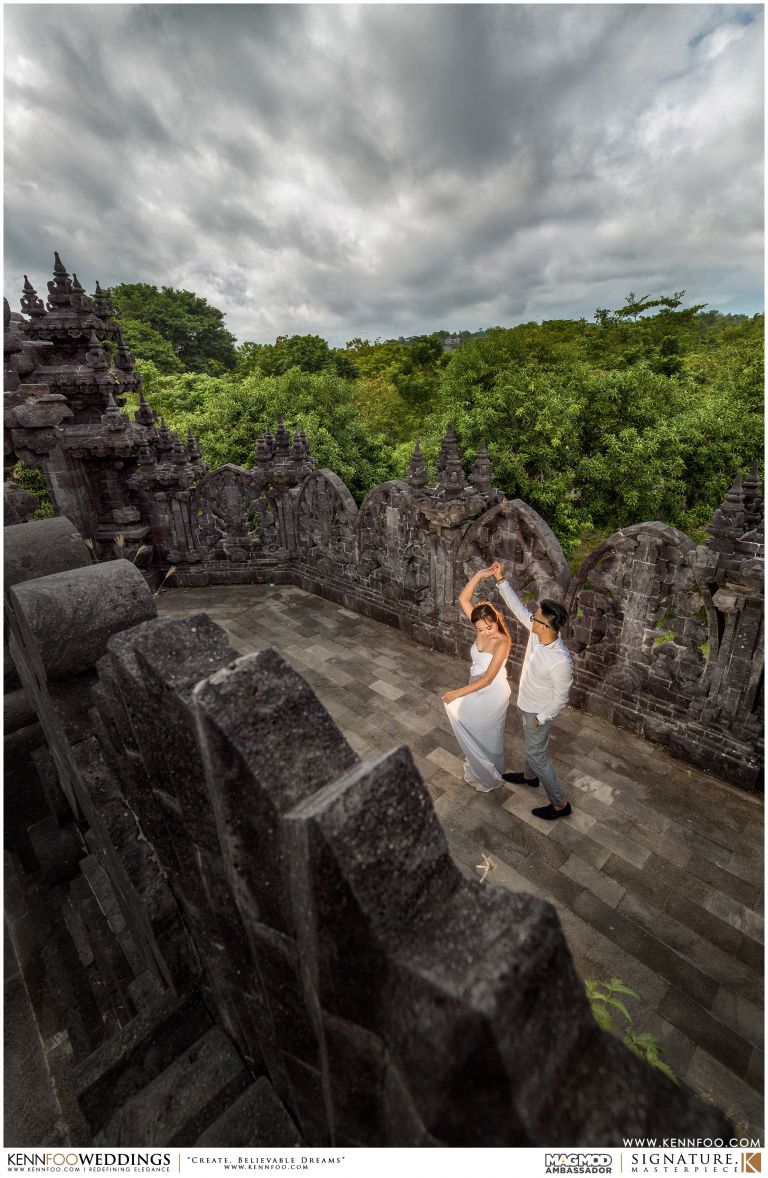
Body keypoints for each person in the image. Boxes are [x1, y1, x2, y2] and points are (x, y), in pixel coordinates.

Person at [489, 561, 574, 820]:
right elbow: (518, 609)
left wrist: (541, 718)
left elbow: (562, 697)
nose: (531, 618)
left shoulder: (560, 661)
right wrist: (501, 580)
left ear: (545, 626)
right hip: (524, 703)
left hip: (538, 713)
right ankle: (529, 777)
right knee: (530, 748)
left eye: (535, 618)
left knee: (537, 756)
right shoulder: (539, 635)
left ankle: (560, 804)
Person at [441, 568, 512, 791]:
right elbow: (463, 598)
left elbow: (489, 679)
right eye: (480, 629)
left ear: (496, 620)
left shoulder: (502, 642)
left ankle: (491, 772)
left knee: (488, 733)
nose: (485, 632)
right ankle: (477, 762)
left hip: (492, 691)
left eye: (489, 627)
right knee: (472, 725)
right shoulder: (480, 625)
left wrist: (456, 693)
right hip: (475, 685)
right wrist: (480, 575)